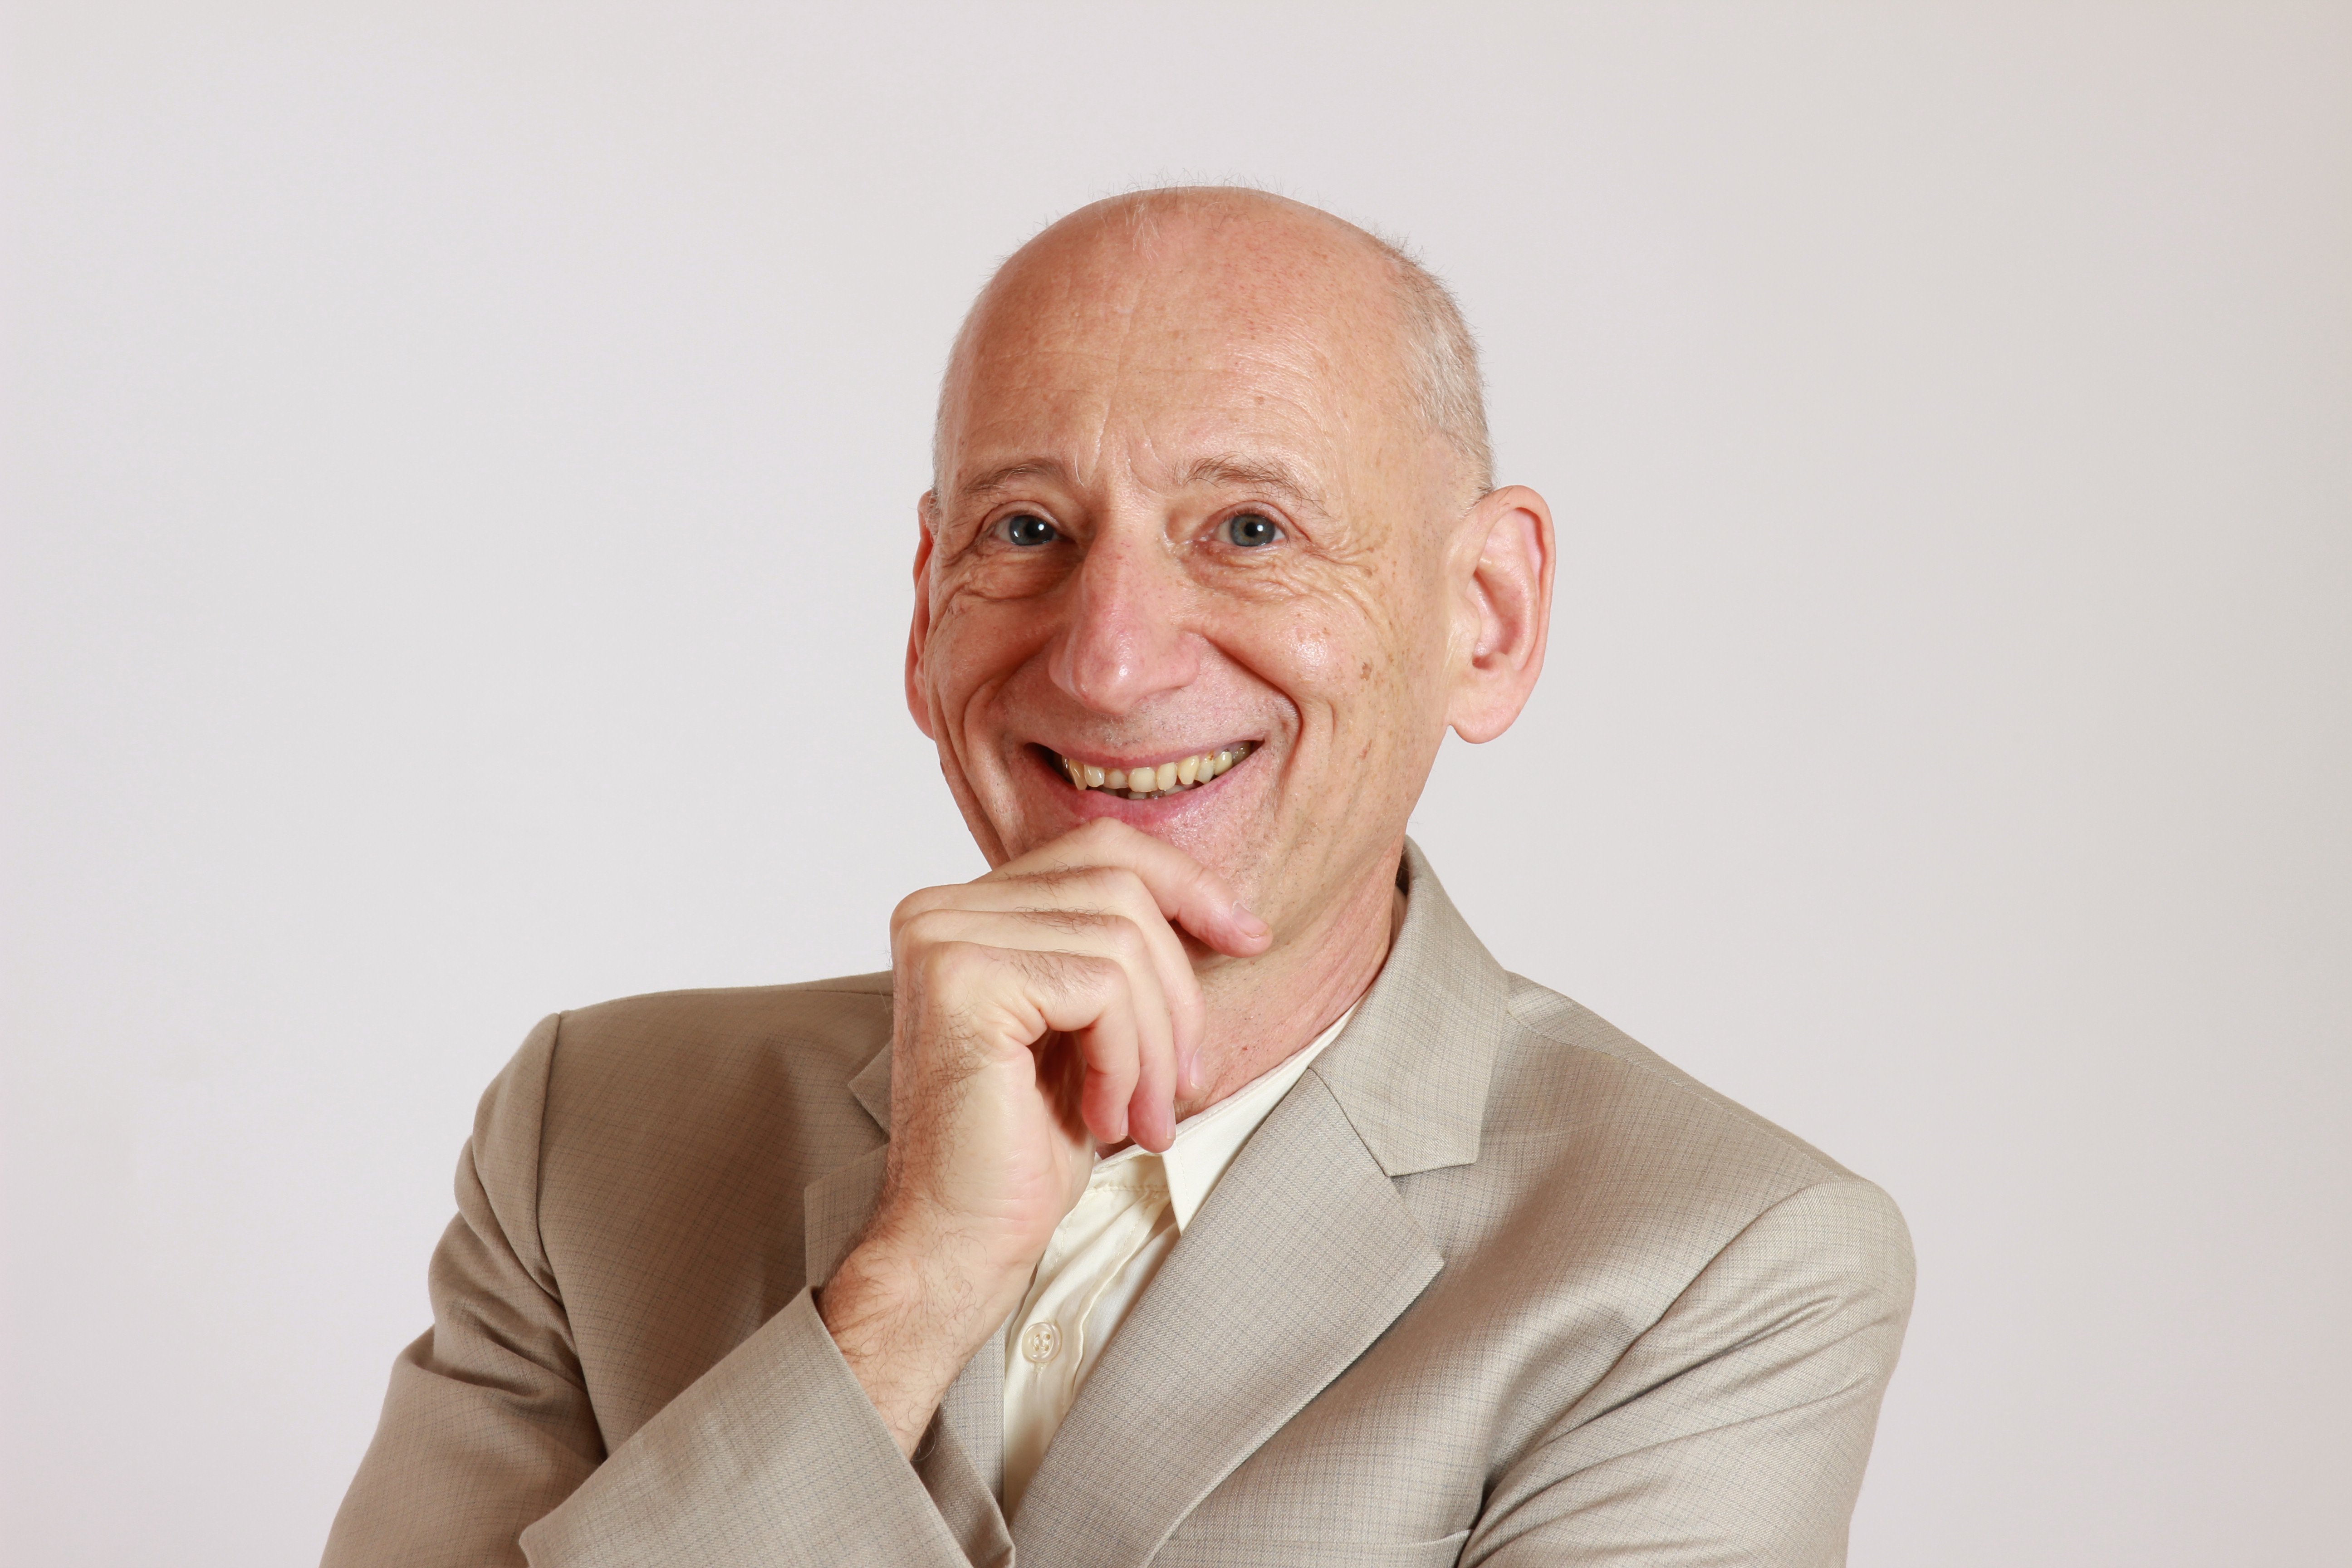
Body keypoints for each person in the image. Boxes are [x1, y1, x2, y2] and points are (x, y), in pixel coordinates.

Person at [324, 186, 1912, 1568]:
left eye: (1249, 529)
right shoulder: (588, 1134)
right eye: (1027, 529)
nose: (1109, 658)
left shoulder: (1716, 1262)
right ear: (925, 611)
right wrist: (907, 1292)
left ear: (1485, 618)